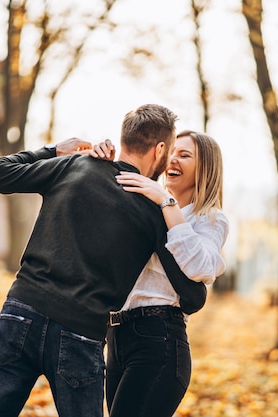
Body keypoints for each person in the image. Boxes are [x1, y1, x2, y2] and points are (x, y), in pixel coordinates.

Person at [0, 105, 207, 417]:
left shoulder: (74, 165)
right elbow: (192, 296)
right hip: (79, 335)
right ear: (160, 149)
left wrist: (54, 150)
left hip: (21, 314)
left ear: (124, 139)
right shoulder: (153, 210)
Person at [92, 130, 229, 417]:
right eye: (172, 152)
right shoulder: (145, 204)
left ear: (205, 168)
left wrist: (168, 203)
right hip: (117, 337)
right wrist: (103, 161)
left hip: (159, 340)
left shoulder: (209, 219)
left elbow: (200, 266)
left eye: (185, 155)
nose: (173, 159)